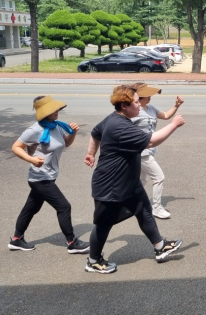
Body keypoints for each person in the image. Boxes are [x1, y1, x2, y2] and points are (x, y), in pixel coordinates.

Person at [83, 85, 184, 274]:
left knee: (144, 210)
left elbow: (95, 133)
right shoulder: (119, 126)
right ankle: (93, 261)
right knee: (103, 223)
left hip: (129, 182)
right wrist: (173, 124)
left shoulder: (116, 118)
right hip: (110, 185)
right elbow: (151, 141)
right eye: (136, 102)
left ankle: (160, 246)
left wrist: (91, 153)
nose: (139, 105)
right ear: (124, 105)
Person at [9, 96, 89, 254]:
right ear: (44, 112)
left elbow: (65, 143)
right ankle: (71, 242)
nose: (57, 111)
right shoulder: (34, 129)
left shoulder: (56, 126)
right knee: (64, 206)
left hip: (48, 176)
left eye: (57, 108)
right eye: (53, 109)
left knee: (31, 208)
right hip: (40, 178)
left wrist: (73, 133)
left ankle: (16, 239)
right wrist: (31, 159)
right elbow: (16, 147)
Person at [130, 83, 185, 219]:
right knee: (158, 177)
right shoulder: (133, 112)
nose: (150, 97)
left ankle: (132, 203)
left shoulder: (150, 108)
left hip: (149, 149)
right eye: (148, 95)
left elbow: (166, 115)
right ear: (140, 97)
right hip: (141, 152)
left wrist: (176, 105)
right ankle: (156, 208)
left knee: (142, 179)